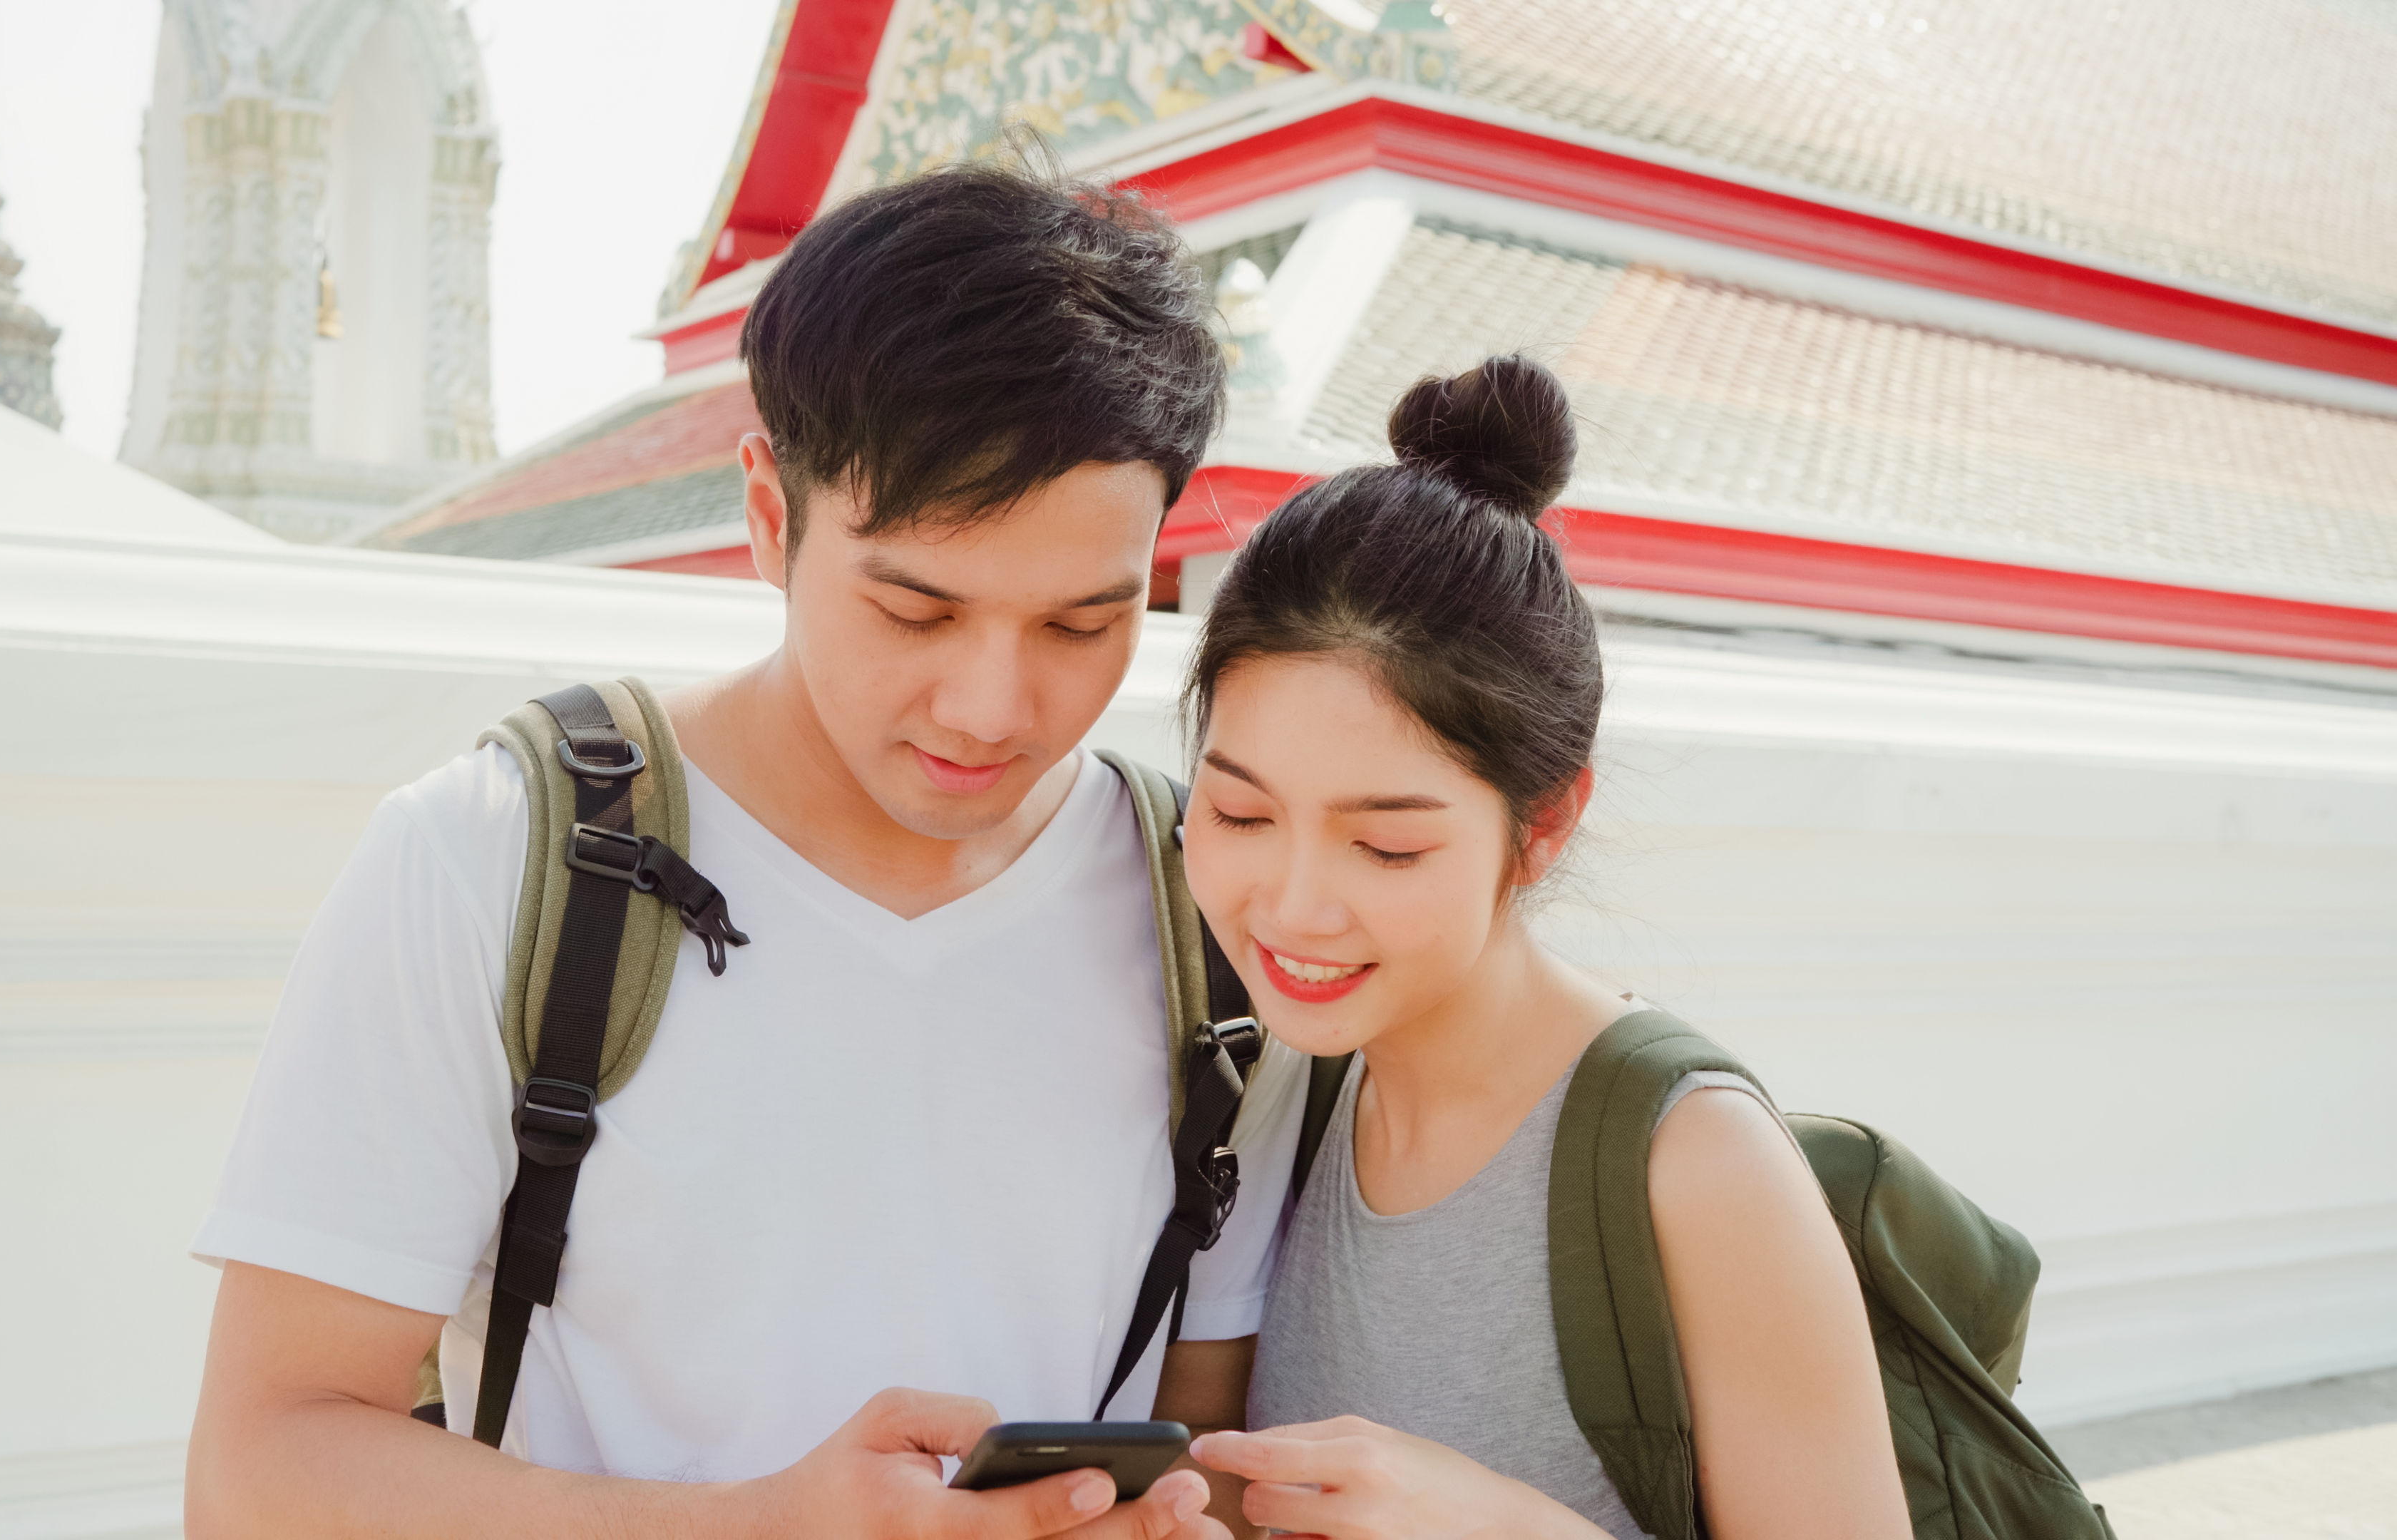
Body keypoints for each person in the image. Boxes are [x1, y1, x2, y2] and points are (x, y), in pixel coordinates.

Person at [183, 161, 1305, 1540]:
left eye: (1084, 624)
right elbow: (259, 1473)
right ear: (771, 519)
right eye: (915, 609)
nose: (994, 708)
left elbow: (1218, 1446)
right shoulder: (491, 861)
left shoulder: (1216, 910)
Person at [1171, 358, 1913, 1539]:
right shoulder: (1288, 1085)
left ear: (1545, 824)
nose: (1295, 910)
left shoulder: (1696, 1164)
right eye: (1242, 816)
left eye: (1389, 848)